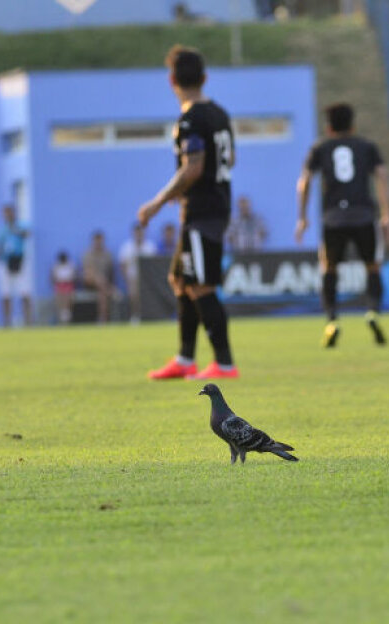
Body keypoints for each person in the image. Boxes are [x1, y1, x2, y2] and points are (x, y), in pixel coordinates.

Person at [139, 45, 239, 380]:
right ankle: (185, 359)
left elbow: (193, 167)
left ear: (172, 81)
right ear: (205, 77)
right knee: (180, 280)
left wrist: (157, 201)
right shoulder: (220, 114)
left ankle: (225, 364)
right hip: (212, 205)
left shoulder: (190, 119)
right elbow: (229, 160)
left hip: (202, 211)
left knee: (202, 286)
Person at [295, 102, 389, 348]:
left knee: (329, 268)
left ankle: (331, 320)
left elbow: (305, 181)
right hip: (363, 216)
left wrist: (302, 216)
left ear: (328, 128)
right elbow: (382, 175)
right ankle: (372, 312)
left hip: (333, 218)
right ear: (353, 125)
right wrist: (386, 214)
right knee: (372, 266)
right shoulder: (367, 147)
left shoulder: (320, 147)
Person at [0, 204, 33, 328]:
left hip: (20, 261)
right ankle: (7, 322)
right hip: (6, 262)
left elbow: (26, 234)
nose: (8, 215)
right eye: (5, 213)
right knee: (5, 294)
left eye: (10, 212)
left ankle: (28, 321)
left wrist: (13, 227)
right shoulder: (1, 230)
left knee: (24, 292)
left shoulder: (22, 225)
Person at [117, 223, 156, 324]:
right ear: (134, 233)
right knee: (134, 291)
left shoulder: (150, 246)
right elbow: (123, 266)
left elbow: (154, 265)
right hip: (132, 278)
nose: (139, 234)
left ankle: (149, 316)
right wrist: (127, 280)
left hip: (147, 279)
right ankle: (136, 315)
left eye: (141, 232)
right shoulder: (127, 247)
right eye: (137, 232)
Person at [80, 230, 119, 324]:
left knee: (102, 294)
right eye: (97, 241)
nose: (98, 243)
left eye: (100, 241)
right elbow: (87, 271)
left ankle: (103, 320)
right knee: (95, 277)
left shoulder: (107, 255)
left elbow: (111, 272)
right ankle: (110, 290)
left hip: (102, 285)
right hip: (89, 282)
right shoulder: (87, 254)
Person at [50, 249, 77, 324]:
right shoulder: (56, 267)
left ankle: (66, 318)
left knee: (68, 298)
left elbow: (74, 278)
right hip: (59, 288)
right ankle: (61, 318)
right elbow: (53, 279)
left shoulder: (70, 266)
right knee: (60, 298)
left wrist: (66, 281)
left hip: (69, 288)